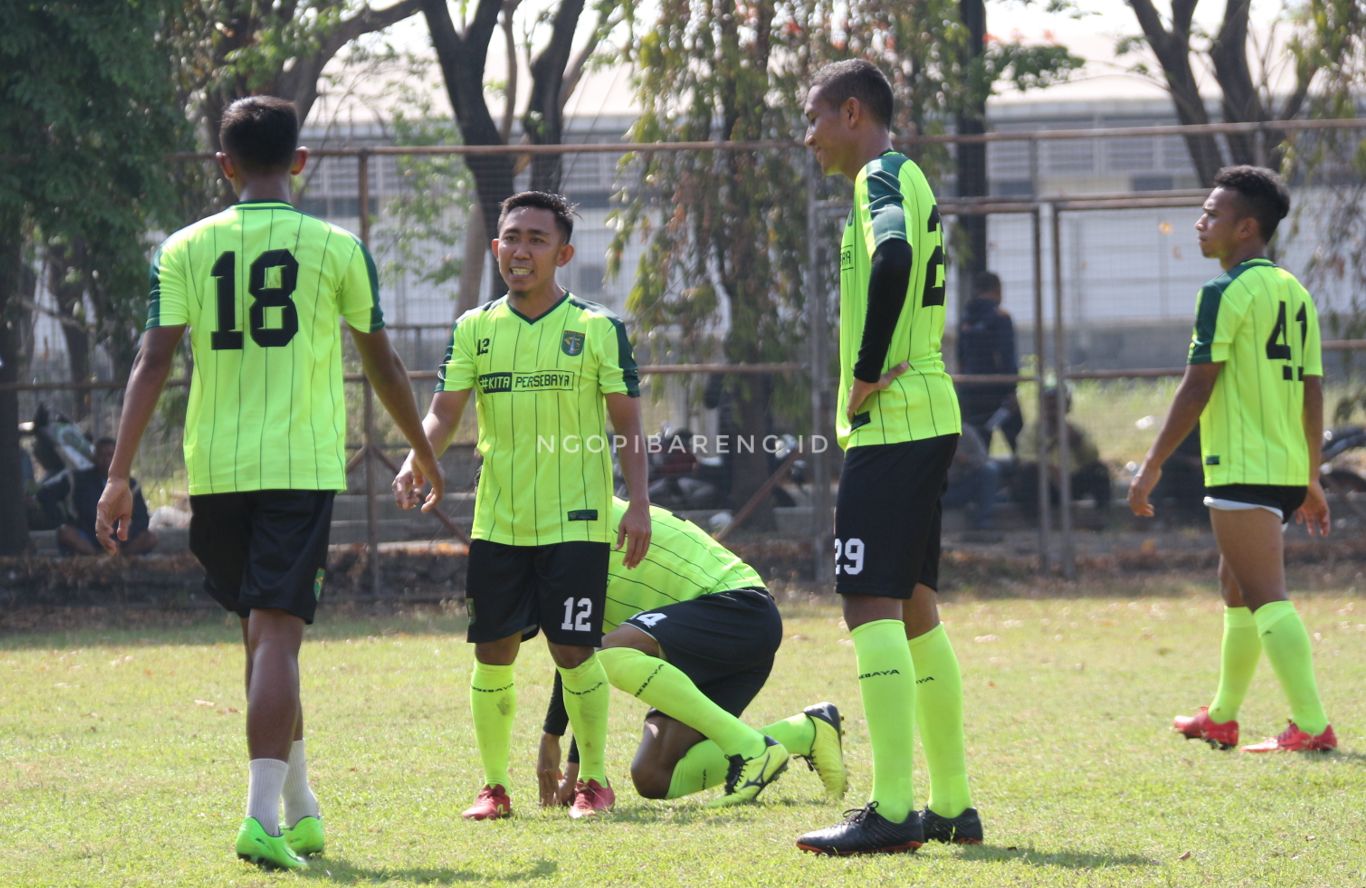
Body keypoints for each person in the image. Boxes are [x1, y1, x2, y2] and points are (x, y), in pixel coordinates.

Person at [95, 96, 444, 872]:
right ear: (300, 160)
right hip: (299, 468)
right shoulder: (336, 248)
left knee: (259, 636)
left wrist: (119, 476)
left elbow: (152, 361)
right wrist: (421, 447)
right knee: (279, 637)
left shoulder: (182, 247)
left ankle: (300, 805)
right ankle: (261, 820)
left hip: (216, 470)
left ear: (223, 166)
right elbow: (381, 360)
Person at [393, 191, 651, 821]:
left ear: (562, 253)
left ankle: (592, 779)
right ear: (495, 248)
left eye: (536, 239)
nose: (521, 250)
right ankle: (493, 787)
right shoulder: (474, 328)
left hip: (578, 521)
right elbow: (444, 412)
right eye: (511, 237)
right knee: (492, 652)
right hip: (499, 523)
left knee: (573, 650)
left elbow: (628, 424)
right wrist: (416, 457)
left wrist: (639, 503)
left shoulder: (597, 329)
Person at [798, 60, 980, 855]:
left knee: (868, 604)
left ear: (849, 111)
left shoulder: (880, 176)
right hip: (928, 415)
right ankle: (951, 805)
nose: (808, 137)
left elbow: (896, 260)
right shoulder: (907, 176)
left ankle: (894, 810)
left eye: (813, 119)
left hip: (895, 421)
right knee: (913, 608)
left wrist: (867, 372)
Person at [1129, 164, 1336, 754]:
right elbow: (1313, 390)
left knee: (1266, 593)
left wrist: (1150, 466)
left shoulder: (1224, 293)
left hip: (1243, 465)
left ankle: (1313, 725)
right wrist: (1310, 474)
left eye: (1212, 214)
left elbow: (1196, 387)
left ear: (1247, 228)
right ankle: (1221, 715)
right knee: (1236, 586)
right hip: (1282, 467)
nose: (1200, 223)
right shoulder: (1294, 291)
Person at [537, 497, 846, 809]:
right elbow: (577, 657)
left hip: (739, 609)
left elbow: (583, 659)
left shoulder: (577, 519)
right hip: (708, 645)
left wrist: (556, 740)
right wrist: (572, 765)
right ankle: (804, 731)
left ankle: (752, 749)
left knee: (608, 652)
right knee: (653, 776)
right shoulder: (552, 539)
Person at [1010, 385, 1112, 514]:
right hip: (1045, 484)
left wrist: (1078, 442)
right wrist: (1049, 468)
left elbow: (1093, 457)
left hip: (1070, 483)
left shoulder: (1075, 430)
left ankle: (1103, 516)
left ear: (1067, 407)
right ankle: (1035, 522)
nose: (1052, 411)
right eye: (1049, 406)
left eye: (1056, 406)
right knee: (1028, 473)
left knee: (1099, 470)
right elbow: (1024, 456)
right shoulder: (1031, 431)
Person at [54, 437, 157, 556]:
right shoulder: (80, 481)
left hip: (122, 539)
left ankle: (120, 557)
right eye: (101, 455)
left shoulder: (130, 485)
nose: (106, 459)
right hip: (91, 537)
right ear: (94, 458)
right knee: (65, 532)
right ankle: (98, 556)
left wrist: (123, 537)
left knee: (150, 538)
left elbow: (142, 519)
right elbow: (83, 514)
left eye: (110, 455)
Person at [957, 271, 1022, 454]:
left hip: (971, 389)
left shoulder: (965, 318)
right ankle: (1022, 478)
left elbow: (960, 356)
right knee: (1018, 439)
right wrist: (1011, 390)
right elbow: (1007, 356)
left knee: (979, 442)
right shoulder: (1001, 317)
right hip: (998, 389)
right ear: (997, 290)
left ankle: (981, 476)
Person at [941, 424, 1000, 532]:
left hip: (960, 485)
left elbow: (983, 458)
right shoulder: (926, 433)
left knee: (989, 471)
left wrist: (966, 460)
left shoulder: (966, 432)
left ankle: (983, 521)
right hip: (937, 491)